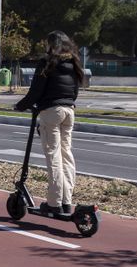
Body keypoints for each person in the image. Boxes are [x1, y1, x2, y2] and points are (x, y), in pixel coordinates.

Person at [13, 30, 86, 215]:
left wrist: (20, 106)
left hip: (51, 112)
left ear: (51, 45)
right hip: (69, 112)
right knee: (66, 156)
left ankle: (54, 203)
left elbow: (36, 91)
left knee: (53, 157)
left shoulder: (47, 63)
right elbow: (74, 91)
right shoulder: (74, 62)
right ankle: (67, 201)